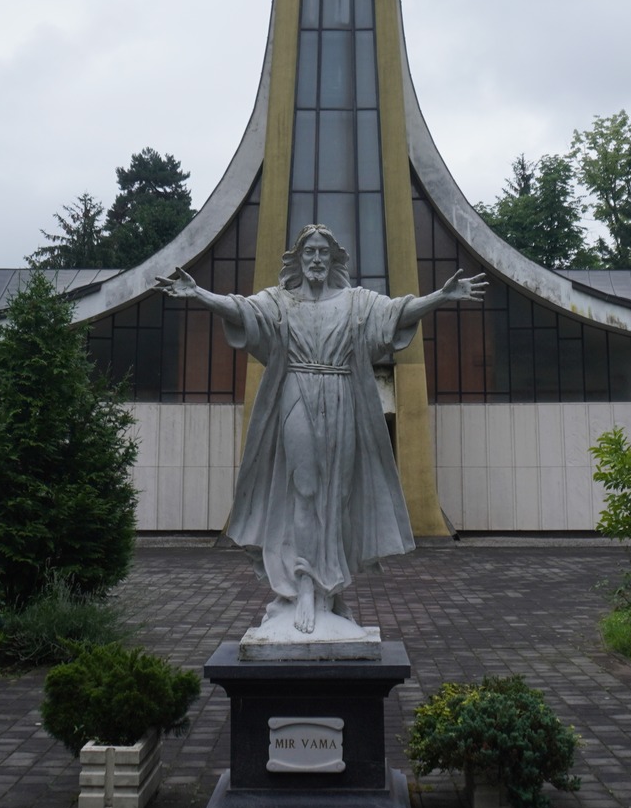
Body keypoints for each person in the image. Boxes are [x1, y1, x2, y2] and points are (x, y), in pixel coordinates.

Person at [157, 224, 486, 634]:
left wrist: (441, 296)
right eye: (309, 252)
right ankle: (305, 585)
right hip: (297, 389)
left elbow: (396, 314)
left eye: (323, 253)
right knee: (307, 487)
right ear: (298, 259)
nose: (316, 259)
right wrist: (200, 294)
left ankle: (332, 588)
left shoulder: (355, 303)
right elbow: (243, 311)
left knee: (340, 493)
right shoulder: (280, 302)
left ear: (333, 261)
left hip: (342, 395)